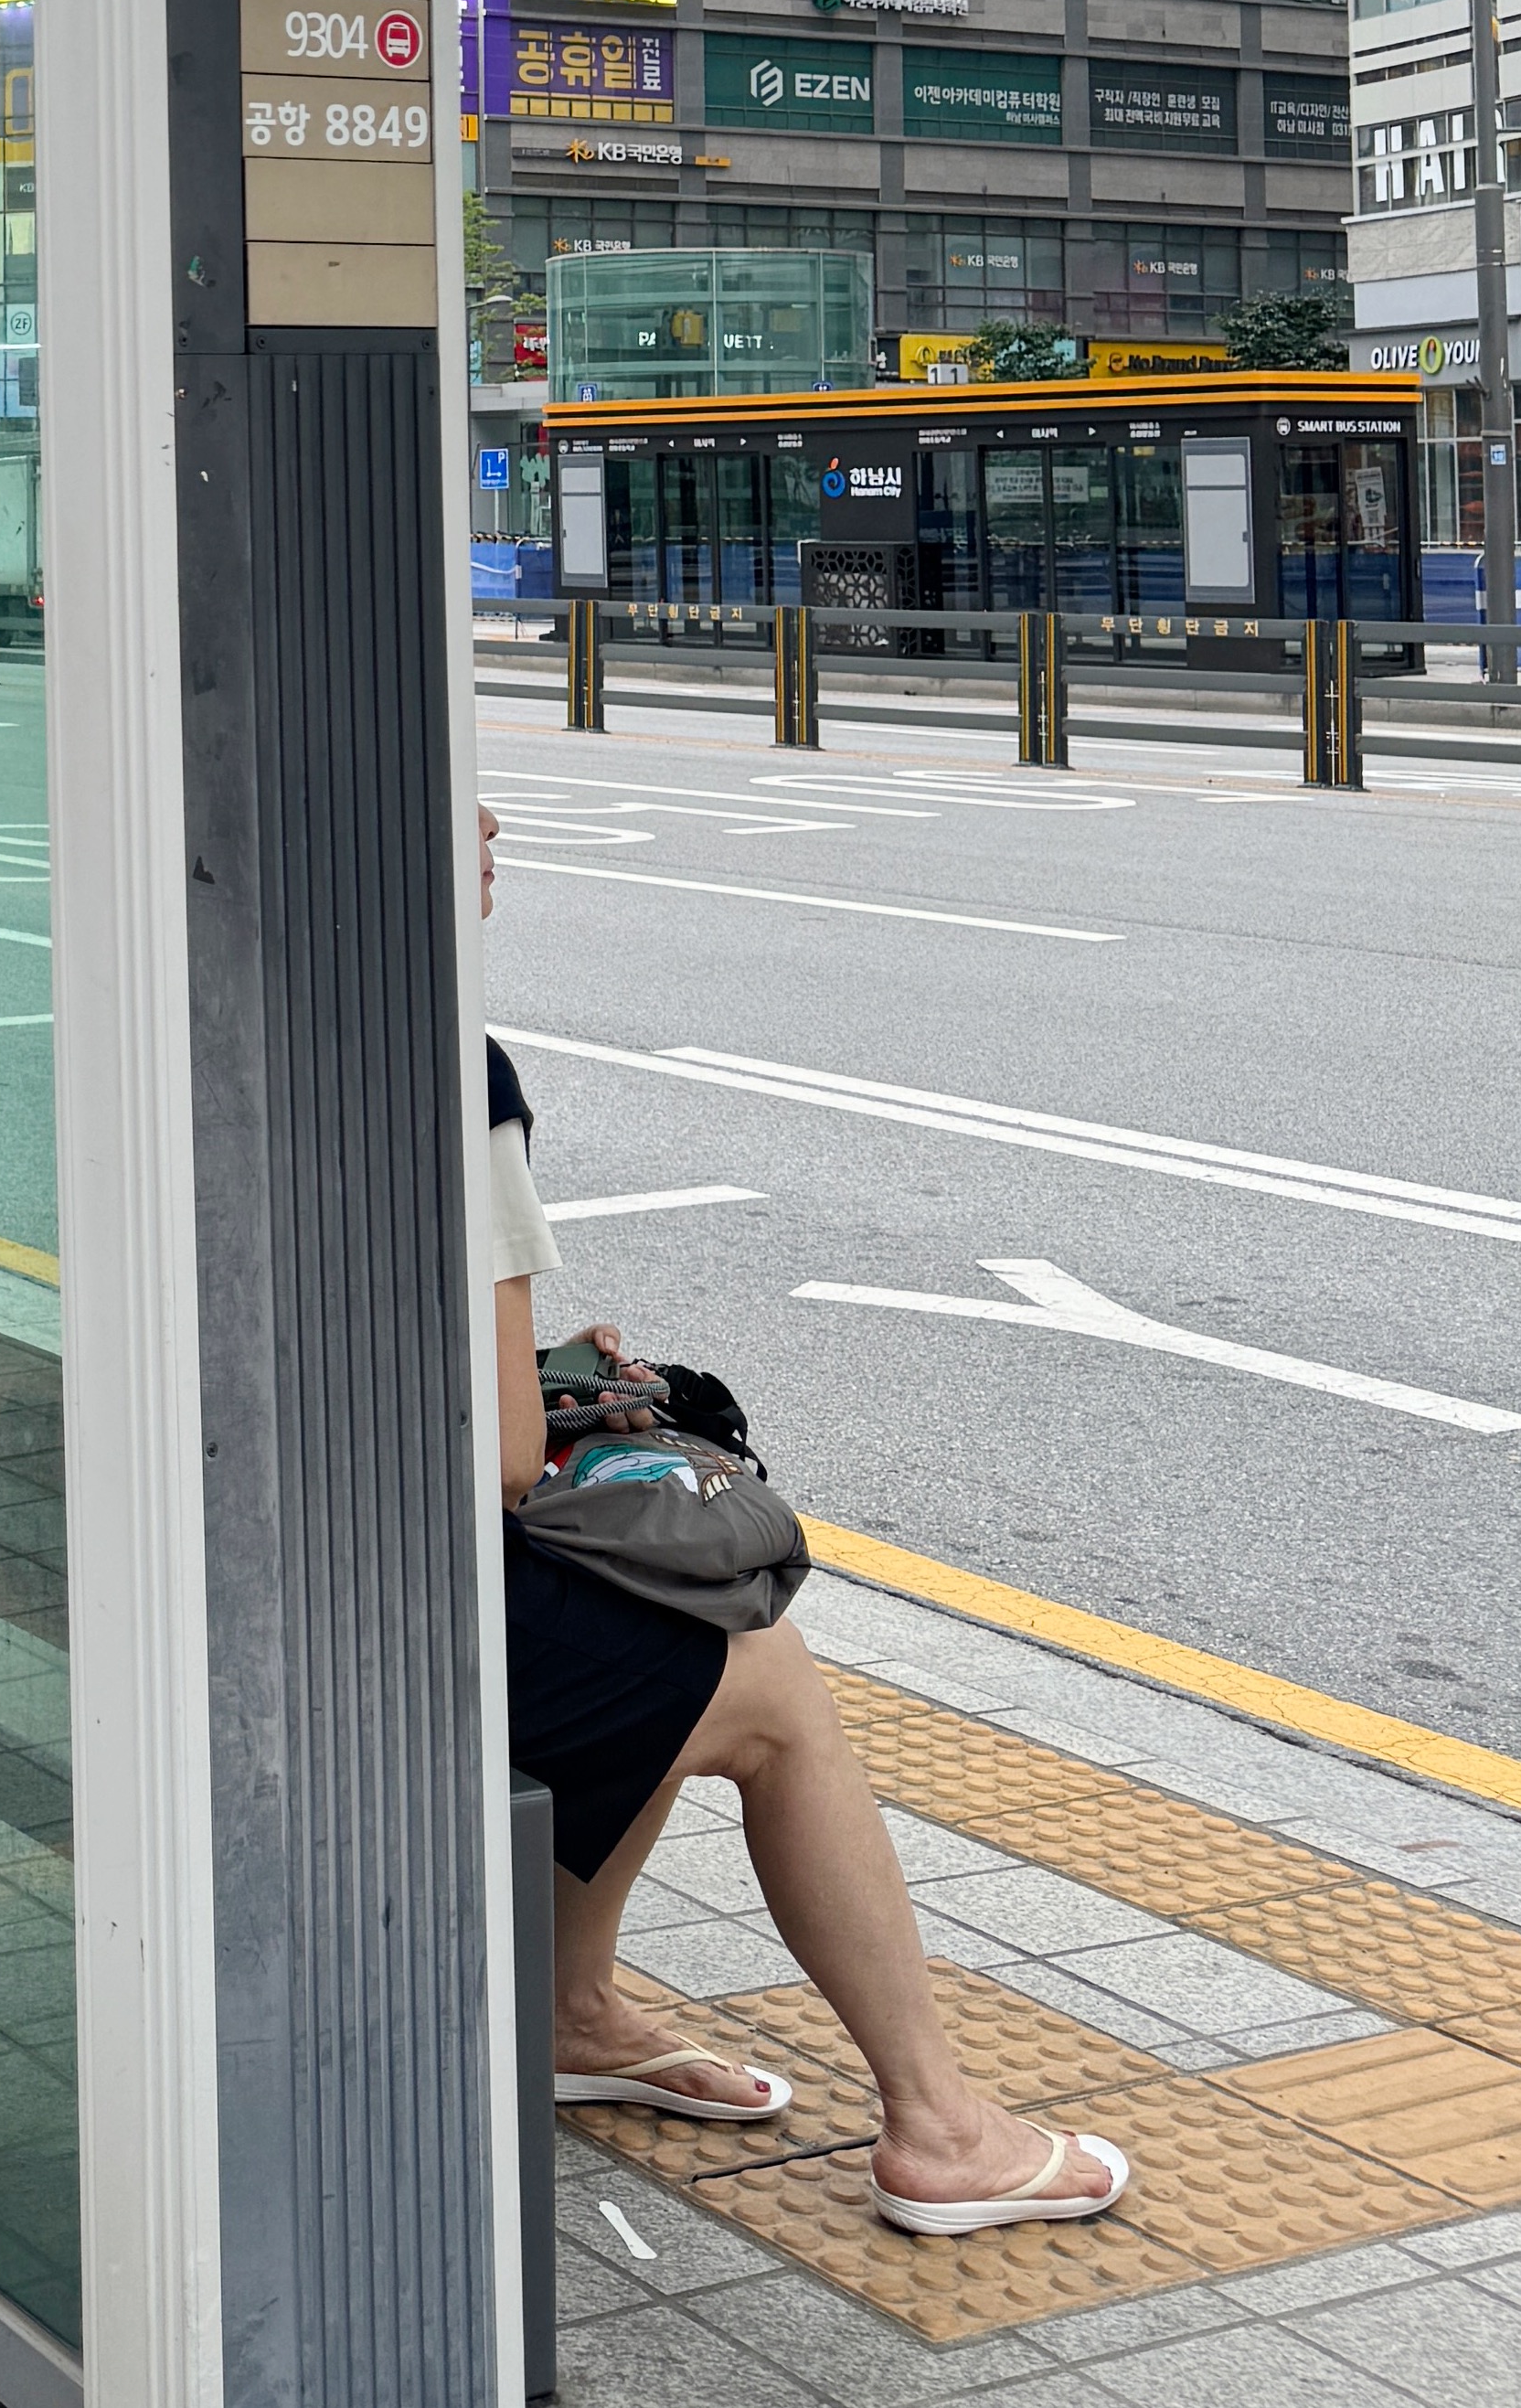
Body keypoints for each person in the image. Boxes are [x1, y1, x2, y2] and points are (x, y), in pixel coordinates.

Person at [481, 799, 1129, 2237]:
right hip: (363, 1597)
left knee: (661, 1620)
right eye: (447, 788)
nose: (488, 819)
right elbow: (508, 1456)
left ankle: (574, 2005)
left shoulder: (263, 1026)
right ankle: (943, 2127)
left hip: (253, 1551)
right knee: (761, 1681)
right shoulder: (454, 1069)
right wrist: (556, 1392)